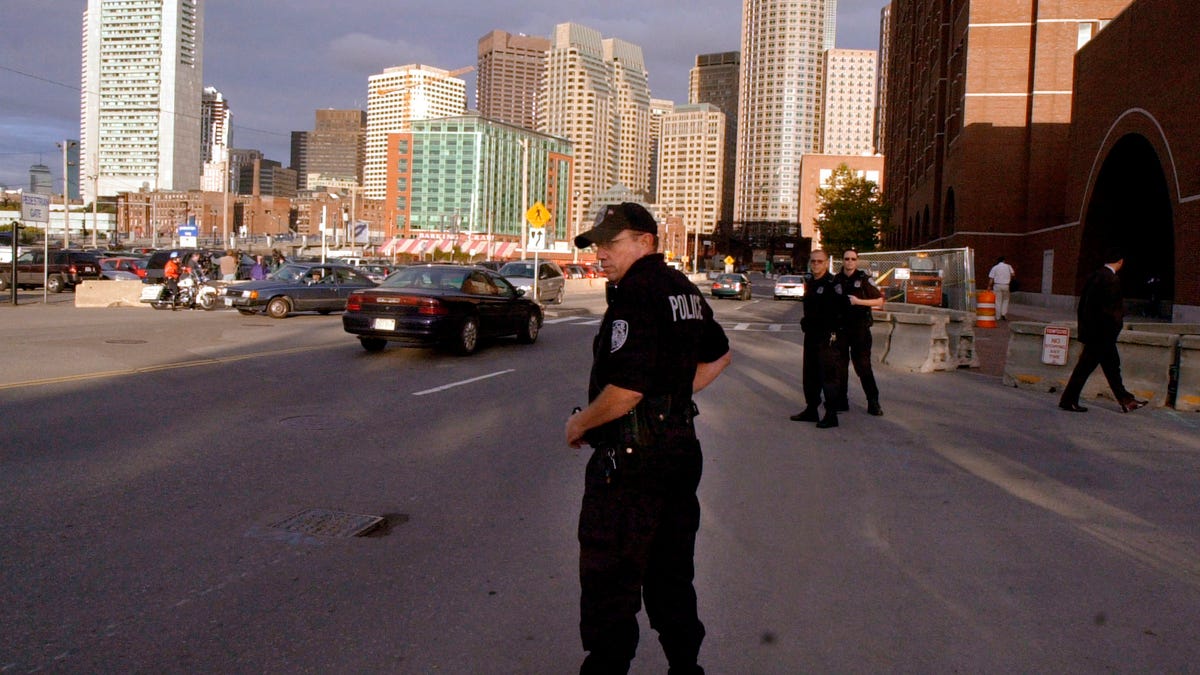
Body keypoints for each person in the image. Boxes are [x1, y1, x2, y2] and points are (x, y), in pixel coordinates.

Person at [565, 202, 731, 674]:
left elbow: (626, 389)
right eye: (597, 244)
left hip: (631, 461)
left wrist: (581, 424)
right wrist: (672, 397)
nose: (601, 254)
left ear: (645, 242)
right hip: (678, 449)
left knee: (610, 576)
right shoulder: (684, 290)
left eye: (611, 244)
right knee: (670, 572)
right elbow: (719, 356)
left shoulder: (637, 293)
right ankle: (686, 667)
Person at [1058, 247, 1148, 413]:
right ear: (1120, 262)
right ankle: (1068, 401)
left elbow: (1084, 306)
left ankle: (1126, 400)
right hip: (1103, 335)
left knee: (1111, 367)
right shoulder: (1111, 280)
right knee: (1087, 369)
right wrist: (1116, 327)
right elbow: (1112, 311)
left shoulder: (1095, 276)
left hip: (1093, 333)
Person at [790, 249, 847, 428]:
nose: (815, 264)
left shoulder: (833, 283)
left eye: (819, 261)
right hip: (812, 336)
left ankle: (831, 414)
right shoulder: (811, 283)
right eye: (813, 261)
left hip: (827, 337)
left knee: (828, 375)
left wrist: (835, 332)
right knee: (810, 374)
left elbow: (842, 310)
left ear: (826, 263)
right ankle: (811, 409)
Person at [833, 248, 885, 416]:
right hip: (841, 330)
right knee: (840, 367)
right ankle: (841, 400)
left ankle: (873, 401)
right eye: (846, 259)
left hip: (860, 329)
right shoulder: (836, 280)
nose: (849, 262)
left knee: (863, 366)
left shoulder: (864, 279)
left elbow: (879, 301)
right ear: (843, 260)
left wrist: (858, 301)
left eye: (853, 259)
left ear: (857, 261)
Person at [988, 256, 1016, 320]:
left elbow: (991, 278)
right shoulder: (1008, 266)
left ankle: (998, 316)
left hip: (997, 285)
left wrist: (989, 286)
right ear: (1004, 261)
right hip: (1006, 285)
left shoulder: (995, 267)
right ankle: (1004, 313)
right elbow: (1013, 274)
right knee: (1006, 300)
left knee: (997, 301)